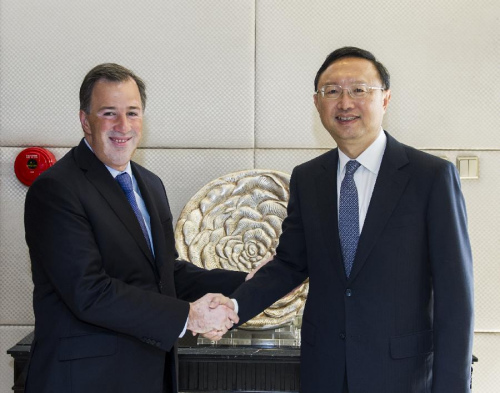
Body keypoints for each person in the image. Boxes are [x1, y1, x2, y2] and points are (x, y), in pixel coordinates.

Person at [226, 47, 474, 392]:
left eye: (359, 90)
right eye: (332, 91)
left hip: (402, 375)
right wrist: (233, 307)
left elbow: (455, 296)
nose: (345, 102)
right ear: (317, 103)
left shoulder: (430, 177)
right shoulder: (308, 178)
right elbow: (289, 265)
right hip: (324, 370)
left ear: (385, 99)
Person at [23, 63, 247, 393]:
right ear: (85, 121)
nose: (123, 126)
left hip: (149, 374)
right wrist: (189, 316)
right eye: (109, 113)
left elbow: (166, 274)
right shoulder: (56, 189)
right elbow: (89, 292)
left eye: (132, 112)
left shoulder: (150, 185)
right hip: (85, 382)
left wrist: (248, 281)